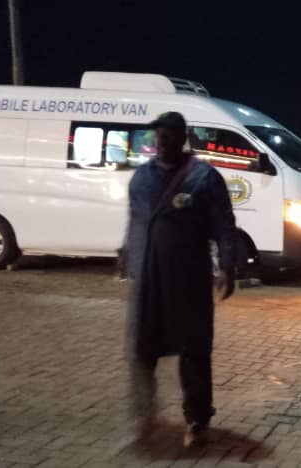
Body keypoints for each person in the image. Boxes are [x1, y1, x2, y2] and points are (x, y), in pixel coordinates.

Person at [122, 111, 238, 448]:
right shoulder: (141, 178)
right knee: (142, 348)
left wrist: (227, 267)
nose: (161, 142)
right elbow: (135, 220)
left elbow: (224, 225)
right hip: (148, 280)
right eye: (157, 136)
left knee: (194, 350)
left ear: (182, 137)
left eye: (168, 136)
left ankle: (198, 419)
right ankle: (143, 415)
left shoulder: (203, 178)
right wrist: (127, 253)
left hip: (188, 281)